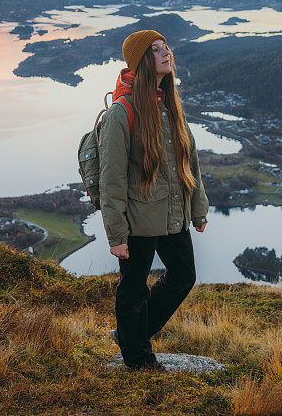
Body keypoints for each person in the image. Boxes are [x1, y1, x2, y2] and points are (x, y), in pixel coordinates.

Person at [98, 29, 209, 370]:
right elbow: (112, 179)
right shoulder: (122, 112)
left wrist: (198, 207)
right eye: (156, 49)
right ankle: (138, 359)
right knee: (132, 288)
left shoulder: (169, 103)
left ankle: (133, 335)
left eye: (166, 47)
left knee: (183, 276)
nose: (166, 53)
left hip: (173, 214)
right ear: (142, 60)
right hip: (137, 220)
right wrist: (116, 234)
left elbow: (189, 159)